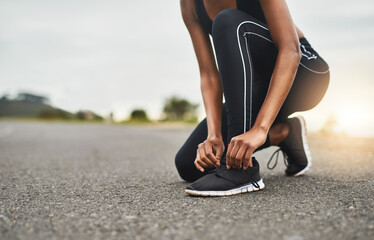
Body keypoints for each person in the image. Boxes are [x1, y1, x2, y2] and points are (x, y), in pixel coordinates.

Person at [175, 0, 330, 197]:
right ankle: (283, 132)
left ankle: (242, 171)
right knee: (190, 164)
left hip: (304, 75)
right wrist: (214, 136)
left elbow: (291, 51)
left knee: (227, 20)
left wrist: (260, 129)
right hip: (253, 85)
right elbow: (209, 75)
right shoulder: (189, 4)